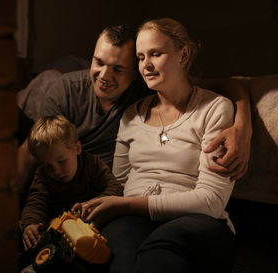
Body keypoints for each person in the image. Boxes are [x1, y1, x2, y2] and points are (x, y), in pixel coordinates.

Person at [74, 18, 238, 273]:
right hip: (133, 219)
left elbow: (211, 201)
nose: (145, 65)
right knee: (119, 252)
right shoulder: (130, 115)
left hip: (199, 223)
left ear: (183, 55)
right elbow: (118, 185)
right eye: (140, 57)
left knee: (161, 251)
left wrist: (126, 204)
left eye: (155, 54)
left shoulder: (214, 109)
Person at [13, 24, 252, 197]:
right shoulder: (66, 89)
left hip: (97, 190)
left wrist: (242, 129)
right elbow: (32, 150)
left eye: (118, 69)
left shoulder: (144, 94)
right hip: (55, 185)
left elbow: (229, 84)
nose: (104, 76)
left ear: (135, 73)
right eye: (99, 63)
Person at [20, 115, 122, 253]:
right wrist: (30, 224)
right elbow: (35, 202)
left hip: (92, 223)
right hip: (58, 229)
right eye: (47, 166)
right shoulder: (42, 176)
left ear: (77, 148)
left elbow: (114, 187)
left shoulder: (92, 164)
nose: (55, 171)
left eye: (61, 161)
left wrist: (92, 204)